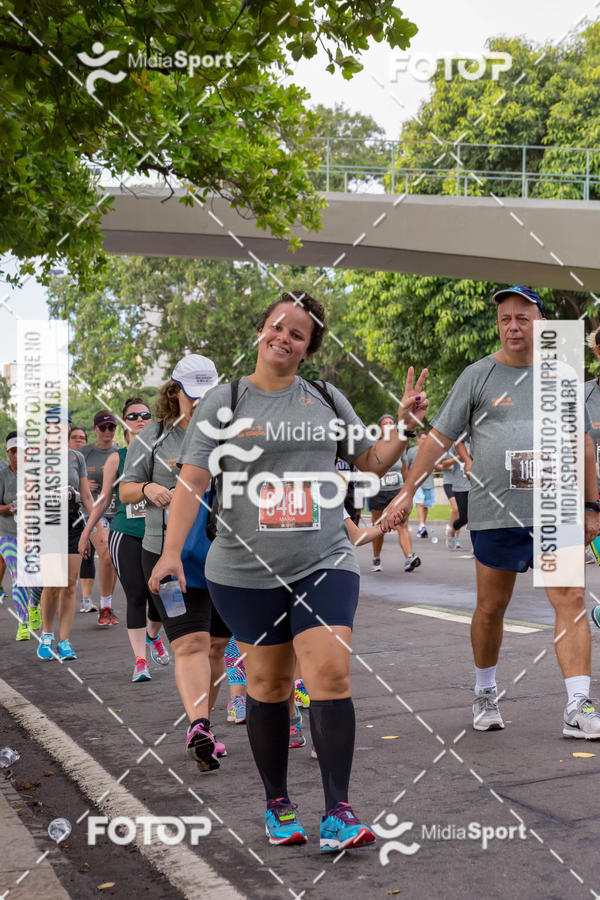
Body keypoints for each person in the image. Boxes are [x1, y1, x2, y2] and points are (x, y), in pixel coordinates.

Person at [148, 292, 428, 850]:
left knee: (330, 675)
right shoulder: (222, 404)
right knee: (269, 684)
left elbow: (370, 460)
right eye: (277, 326)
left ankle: (339, 812)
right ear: (261, 331)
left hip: (323, 558)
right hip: (244, 567)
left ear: (308, 347)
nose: (284, 336)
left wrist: (404, 426)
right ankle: (278, 804)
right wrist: (172, 551)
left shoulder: (325, 398)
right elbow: (192, 483)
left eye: (298, 333)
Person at [385, 285, 600, 739]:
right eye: (505, 318)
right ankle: (485, 690)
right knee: (491, 607)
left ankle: (578, 705)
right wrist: (407, 490)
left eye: (523, 317)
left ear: (541, 323)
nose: (513, 326)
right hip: (495, 512)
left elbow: (583, 445)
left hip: (554, 507)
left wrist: (590, 505)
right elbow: (439, 437)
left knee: (572, 601)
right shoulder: (477, 376)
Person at [120, 355, 232, 768]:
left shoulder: (232, 434)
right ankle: (198, 724)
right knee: (189, 643)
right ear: (175, 391)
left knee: (217, 646)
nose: (200, 403)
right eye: (192, 395)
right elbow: (126, 490)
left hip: (221, 554)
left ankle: (204, 724)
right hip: (164, 552)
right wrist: (149, 487)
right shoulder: (152, 436)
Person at [79, 397, 169, 682]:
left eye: (145, 415)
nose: (140, 419)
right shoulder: (117, 457)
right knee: (136, 594)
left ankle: (154, 636)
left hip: (159, 533)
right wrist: (86, 532)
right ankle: (140, 661)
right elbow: (104, 499)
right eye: (133, 416)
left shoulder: (162, 451)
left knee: (161, 594)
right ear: (124, 423)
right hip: (125, 533)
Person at [38, 417, 95, 661]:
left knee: (70, 584)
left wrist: (95, 530)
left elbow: (86, 497)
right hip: (48, 521)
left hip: (73, 521)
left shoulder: (76, 457)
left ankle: (64, 640)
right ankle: (46, 634)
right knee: (52, 583)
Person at [0, 432, 42, 639]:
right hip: (8, 534)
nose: (17, 455)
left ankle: (34, 606)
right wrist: (9, 507)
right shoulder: (2, 476)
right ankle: (22, 622)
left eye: (21, 451)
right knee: (18, 578)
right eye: (13, 451)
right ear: (8, 452)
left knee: (38, 578)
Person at [81, 412, 120, 626]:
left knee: (112, 559)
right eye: (103, 428)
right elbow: (73, 483)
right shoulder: (84, 453)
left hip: (118, 512)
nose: (107, 432)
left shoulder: (121, 452)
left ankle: (107, 604)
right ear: (95, 429)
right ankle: (105, 607)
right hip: (93, 512)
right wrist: (84, 486)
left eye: (111, 427)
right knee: (105, 552)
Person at [369, 414, 420, 573]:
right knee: (379, 527)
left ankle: (409, 558)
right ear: (380, 428)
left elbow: (405, 470)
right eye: (385, 423)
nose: (389, 425)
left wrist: (407, 492)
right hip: (378, 492)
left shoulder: (400, 446)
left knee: (402, 524)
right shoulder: (373, 446)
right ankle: (376, 558)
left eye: (392, 423)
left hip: (396, 492)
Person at [69, 427, 97, 613]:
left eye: (82, 438)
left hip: (90, 514)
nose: (79, 441)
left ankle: (86, 598)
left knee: (87, 556)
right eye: (75, 438)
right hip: (65, 515)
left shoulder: (86, 457)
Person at [406, 432, 435, 537]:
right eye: (423, 439)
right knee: (420, 503)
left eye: (426, 439)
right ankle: (421, 526)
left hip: (428, 482)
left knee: (426, 506)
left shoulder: (431, 451)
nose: (424, 441)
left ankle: (422, 526)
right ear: (418, 439)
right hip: (415, 483)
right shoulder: (411, 451)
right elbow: (406, 467)